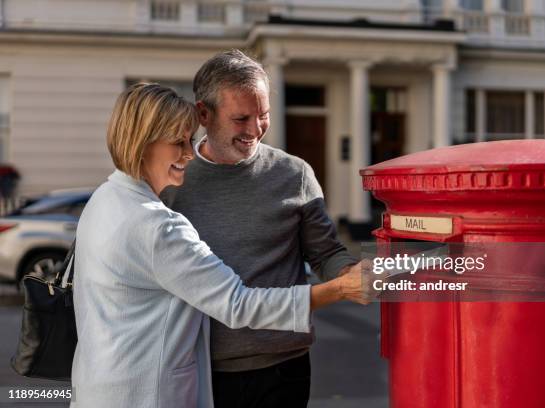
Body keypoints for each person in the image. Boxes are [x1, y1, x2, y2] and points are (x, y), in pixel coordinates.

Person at [70, 83, 369, 408]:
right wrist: (339, 289)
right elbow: (238, 304)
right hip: (147, 393)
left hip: (98, 385)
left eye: (189, 138)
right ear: (143, 143)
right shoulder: (158, 226)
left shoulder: (103, 199)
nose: (188, 152)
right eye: (178, 142)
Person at [160, 49, 365, 408]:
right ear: (204, 114)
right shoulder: (171, 178)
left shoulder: (294, 174)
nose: (255, 130)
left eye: (264, 115)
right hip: (199, 367)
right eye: (241, 118)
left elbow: (326, 252)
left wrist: (350, 274)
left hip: (283, 367)